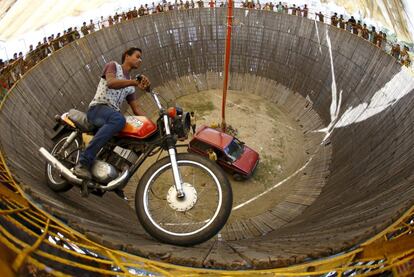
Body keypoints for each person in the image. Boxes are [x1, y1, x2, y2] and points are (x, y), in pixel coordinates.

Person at [74, 47, 151, 180]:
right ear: (127, 56)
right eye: (137, 56)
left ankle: (115, 177)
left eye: (141, 58)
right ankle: (83, 163)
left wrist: (151, 127)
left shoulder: (131, 86)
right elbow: (111, 83)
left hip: (109, 116)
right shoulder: (113, 66)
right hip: (98, 108)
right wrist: (133, 82)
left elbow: (136, 109)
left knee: (129, 138)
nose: (140, 60)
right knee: (119, 120)